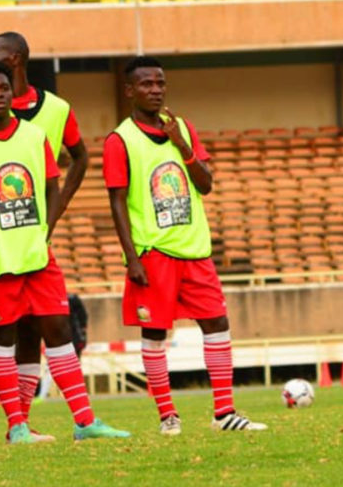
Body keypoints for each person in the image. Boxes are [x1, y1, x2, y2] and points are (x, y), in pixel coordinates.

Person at [0, 61, 128, 443]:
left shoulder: (35, 135)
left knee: (58, 330)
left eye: (3, 87)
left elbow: (52, 187)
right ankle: (16, 426)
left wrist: (45, 230)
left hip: (38, 256)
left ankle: (85, 422)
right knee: (2, 340)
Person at [104, 56, 266, 435]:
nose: (156, 90)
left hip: (194, 249)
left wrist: (183, 147)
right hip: (154, 252)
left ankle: (224, 413)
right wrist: (132, 258)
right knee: (155, 332)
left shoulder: (184, 129)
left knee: (217, 323)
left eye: (160, 83)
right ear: (130, 90)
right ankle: (167, 415)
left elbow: (206, 185)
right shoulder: (119, 140)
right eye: (146, 84)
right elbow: (117, 202)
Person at [0, 32, 90, 441]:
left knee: (47, 330)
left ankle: (38, 422)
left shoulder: (51, 115)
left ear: (18, 59)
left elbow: (70, 162)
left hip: (33, 246)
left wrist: (50, 220)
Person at [39, 293, 88, 399]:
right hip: (63, 339)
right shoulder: (70, 303)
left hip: (70, 339)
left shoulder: (72, 301)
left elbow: (83, 320)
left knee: (69, 367)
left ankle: (73, 395)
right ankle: (43, 394)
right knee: (56, 367)